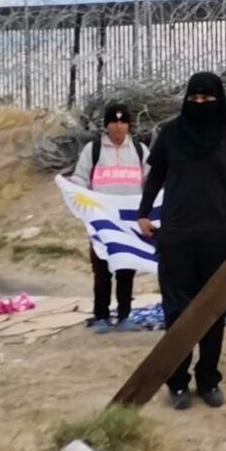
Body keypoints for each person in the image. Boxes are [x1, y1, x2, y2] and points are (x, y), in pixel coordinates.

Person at [138, 72, 226, 411]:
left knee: (212, 310)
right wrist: (143, 212)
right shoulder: (171, 133)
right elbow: (156, 176)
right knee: (177, 311)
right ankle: (177, 382)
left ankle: (208, 379)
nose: (201, 104)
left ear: (218, 99)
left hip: (219, 234)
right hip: (177, 234)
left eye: (207, 99)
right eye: (195, 98)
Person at [70, 104, 149, 333]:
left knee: (126, 268)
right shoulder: (93, 150)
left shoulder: (139, 150)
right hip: (101, 221)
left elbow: (151, 181)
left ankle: (124, 315)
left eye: (123, 122)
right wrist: (86, 211)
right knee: (102, 269)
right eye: (114, 122)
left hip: (129, 222)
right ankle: (101, 315)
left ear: (129, 125)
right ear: (106, 125)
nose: (118, 126)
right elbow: (80, 180)